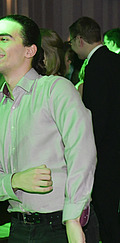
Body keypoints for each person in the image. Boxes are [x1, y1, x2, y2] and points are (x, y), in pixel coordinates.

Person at [0, 15, 96, 243]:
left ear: (30, 50)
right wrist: (14, 180)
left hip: (60, 226)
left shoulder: (55, 90)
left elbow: (82, 152)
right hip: (17, 229)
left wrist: (73, 218)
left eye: (4, 39)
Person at [69, 16, 120, 243]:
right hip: (115, 146)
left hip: (106, 151)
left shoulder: (96, 65)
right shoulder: (114, 60)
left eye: (71, 41)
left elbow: (96, 114)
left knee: (106, 211)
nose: (71, 47)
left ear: (80, 39)